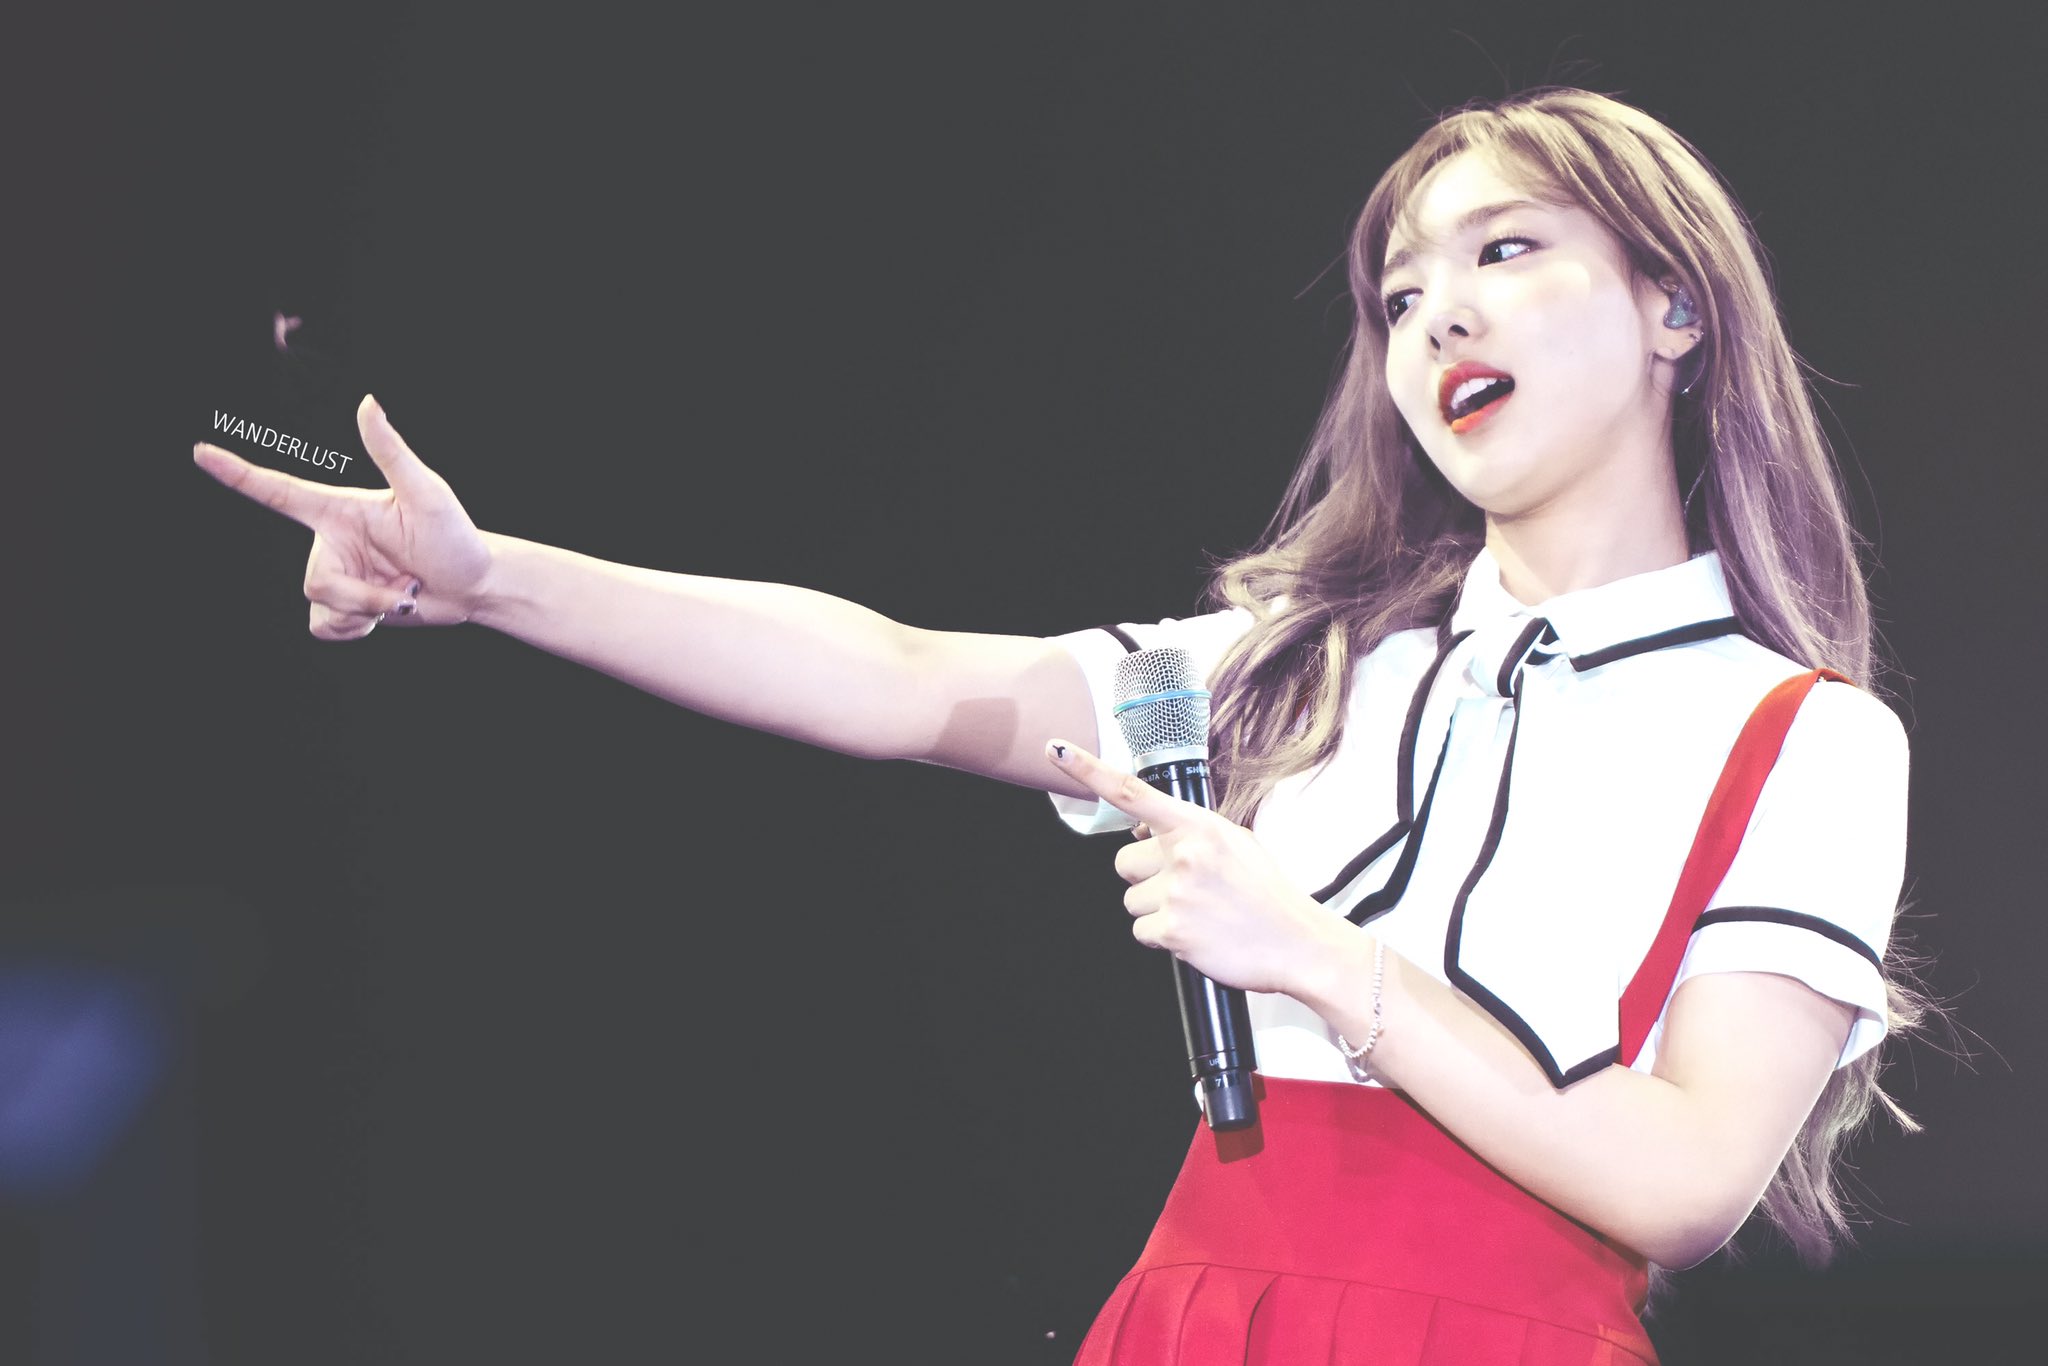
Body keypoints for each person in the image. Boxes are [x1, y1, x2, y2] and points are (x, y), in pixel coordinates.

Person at [195, 87, 1928, 1365]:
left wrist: (1323, 959)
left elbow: (1690, 1178)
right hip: (1198, 1314)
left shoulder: (1805, 735)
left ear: (1676, 306)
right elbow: (893, 674)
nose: (1438, 317)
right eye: (1401, 296)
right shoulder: (1299, 660)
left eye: (1506, 251)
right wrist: (491, 578)